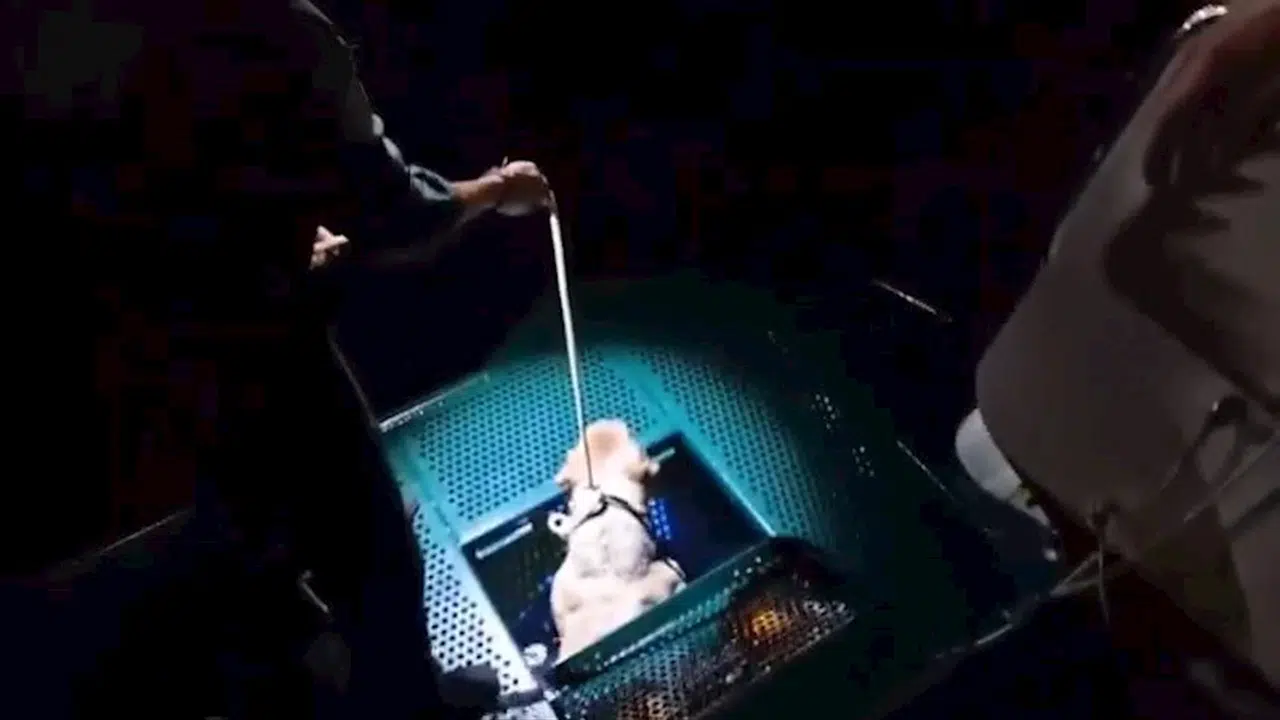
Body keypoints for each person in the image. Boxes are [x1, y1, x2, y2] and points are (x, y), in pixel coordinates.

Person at [5, 0, 552, 716]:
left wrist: (266, 238)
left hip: (103, 335)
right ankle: (403, 704)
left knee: (243, 518)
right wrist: (499, 190)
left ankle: (290, 659)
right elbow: (397, 213)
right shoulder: (286, 30)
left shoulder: (69, 30)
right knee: (374, 541)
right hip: (245, 338)